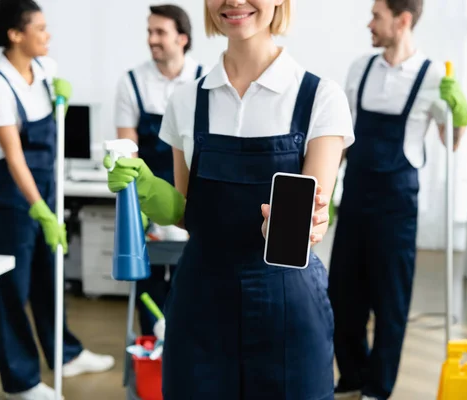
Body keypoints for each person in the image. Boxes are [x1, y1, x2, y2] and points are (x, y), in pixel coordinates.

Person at [104, 0, 355, 398]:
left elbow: (313, 217)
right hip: (201, 302)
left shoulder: (321, 98)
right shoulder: (186, 100)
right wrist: (149, 191)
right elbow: (190, 213)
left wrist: (301, 225)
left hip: (287, 304)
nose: (234, 1)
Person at [328, 0, 467, 399]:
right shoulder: (361, 68)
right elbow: (343, 136)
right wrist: (323, 188)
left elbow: (452, 142)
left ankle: (378, 387)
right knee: (342, 296)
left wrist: (457, 111)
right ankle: (353, 375)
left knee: (389, 302)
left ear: (402, 20)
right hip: (355, 197)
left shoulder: (431, 78)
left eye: (377, 15)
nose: (369, 23)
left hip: (397, 207)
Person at [0, 1, 114, 398]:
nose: (48, 34)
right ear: (15, 35)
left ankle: (66, 355)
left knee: (48, 280)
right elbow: (15, 156)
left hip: (47, 191)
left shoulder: (46, 71)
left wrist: (62, 100)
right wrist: (40, 208)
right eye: (39, 27)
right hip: (9, 199)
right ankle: (21, 383)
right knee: (10, 292)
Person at [114, 3, 208, 337]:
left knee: (193, 280)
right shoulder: (132, 82)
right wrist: (136, 205)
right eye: (149, 31)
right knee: (148, 283)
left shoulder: (205, 81)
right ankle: (151, 358)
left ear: (182, 38)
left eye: (160, 32)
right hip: (148, 199)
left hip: (193, 199)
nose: (152, 39)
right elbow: (127, 151)